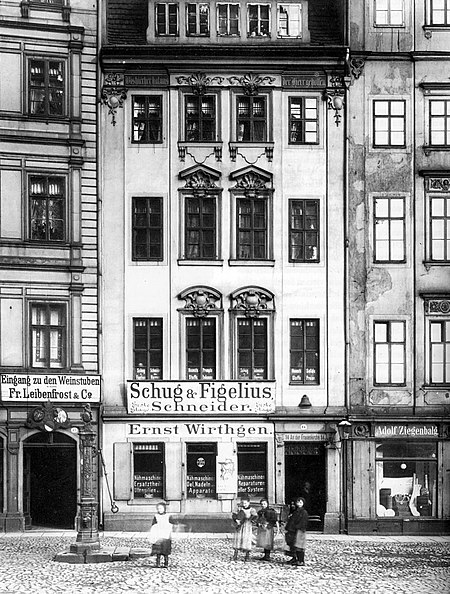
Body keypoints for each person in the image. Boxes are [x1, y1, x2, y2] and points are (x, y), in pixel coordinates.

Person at [284, 497, 308, 567]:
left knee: (299, 546)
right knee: (292, 545)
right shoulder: (295, 511)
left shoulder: (304, 512)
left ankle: (301, 560)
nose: (299, 504)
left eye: (300, 502)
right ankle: (294, 558)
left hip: (299, 531)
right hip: (293, 531)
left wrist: (296, 527)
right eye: (298, 502)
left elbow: (303, 522)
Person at [231, 496, 257, 562]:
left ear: (249, 502)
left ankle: (247, 555)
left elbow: (255, 517)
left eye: (245, 503)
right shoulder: (239, 509)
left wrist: (251, 519)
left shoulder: (251, 510)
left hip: (247, 526)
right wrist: (236, 519)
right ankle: (235, 554)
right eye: (243, 503)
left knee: (246, 539)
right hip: (240, 526)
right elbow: (234, 514)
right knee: (238, 539)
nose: (244, 504)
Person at [149, 502, 173, 568]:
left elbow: (172, 524)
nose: (160, 510)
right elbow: (153, 525)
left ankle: (166, 563)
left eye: (161, 508)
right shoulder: (156, 516)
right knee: (158, 551)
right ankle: (158, 563)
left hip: (166, 535)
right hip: (158, 535)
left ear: (164, 509)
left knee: (165, 550)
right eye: (159, 508)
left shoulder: (168, 516)